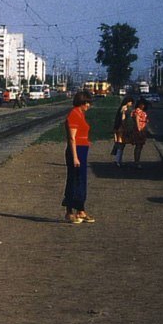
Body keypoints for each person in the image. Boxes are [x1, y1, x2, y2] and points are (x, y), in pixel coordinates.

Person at [63, 90, 95, 225]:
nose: (89, 105)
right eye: (87, 103)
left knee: (81, 181)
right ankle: (69, 212)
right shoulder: (74, 114)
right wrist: (75, 157)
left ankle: (81, 210)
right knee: (74, 180)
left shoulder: (80, 114)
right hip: (76, 151)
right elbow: (72, 138)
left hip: (82, 150)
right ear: (82, 102)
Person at [124, 98, 149, 168]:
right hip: (139, 130)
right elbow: (137, 121)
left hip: (142, 130)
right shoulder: (137, 111)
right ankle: (136, 162)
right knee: (138, 146)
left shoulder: (142, 111)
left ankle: (137, 161)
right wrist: (139, 130)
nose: (143, 106)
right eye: (142, 104)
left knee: (140, 146)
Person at [111, 96, 134, 168]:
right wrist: (125, 127)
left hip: (120, 128)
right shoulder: (124, 108)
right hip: (122, 129)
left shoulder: (122, 107)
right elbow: (123, 119)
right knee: (121, 145)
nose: (131, 104)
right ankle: (118, 160)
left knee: (121, 145)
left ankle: (119, 160)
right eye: (131, 102)